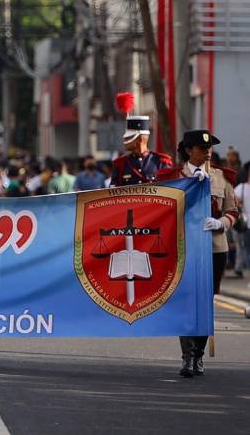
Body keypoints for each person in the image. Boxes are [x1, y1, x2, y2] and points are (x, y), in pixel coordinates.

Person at [157, 130, 239, 378]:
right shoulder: (172, 178)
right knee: (186, 301)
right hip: (184, 248)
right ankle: (187, 356)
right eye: (202, 148)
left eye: (209, 148)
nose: (207, 152)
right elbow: (160, 211)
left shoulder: (221, 177)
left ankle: (199, 355)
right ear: (188, 150)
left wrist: (221, 223)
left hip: (214, 248)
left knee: (205, 302)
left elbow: (233, 211)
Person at [109, 92, 173, 186]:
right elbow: (113, 191)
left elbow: (171, 189)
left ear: (139, 139)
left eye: (129, 137)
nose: (125, 141)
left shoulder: (161, 162)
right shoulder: (120, 164)